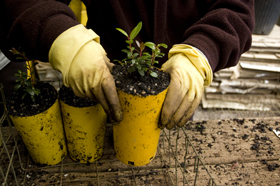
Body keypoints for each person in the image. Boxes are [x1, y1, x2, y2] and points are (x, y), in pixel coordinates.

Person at [0, 0, 255, 129]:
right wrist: (60, 35)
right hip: (107, 81)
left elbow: (236, 8)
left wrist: (201, 52)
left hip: (180, 81)